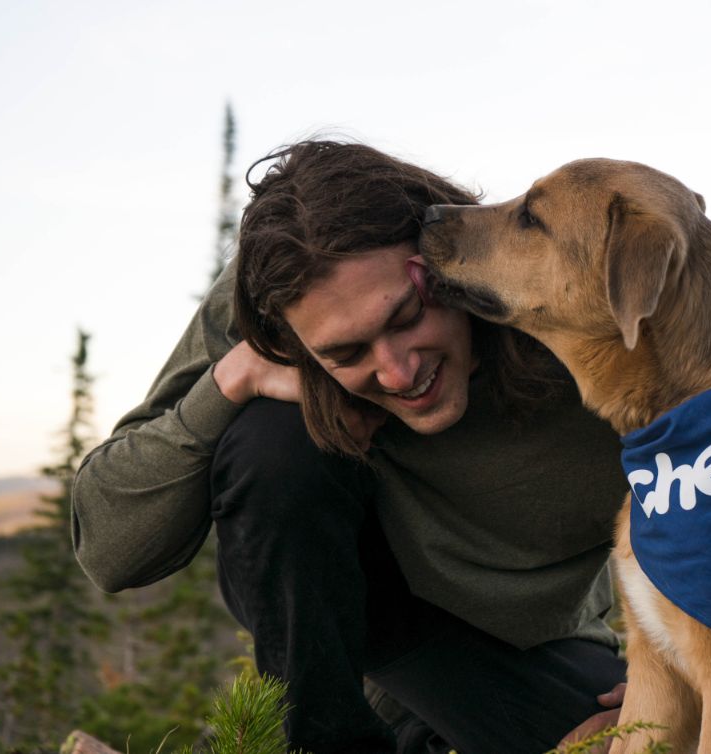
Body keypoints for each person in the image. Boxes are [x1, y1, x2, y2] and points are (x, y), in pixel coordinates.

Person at [71, 141, 630, 754]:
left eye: (408, 315)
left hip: (527, 655)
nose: (397, 372)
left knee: (643, 743)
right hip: (347, 648)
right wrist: (232, 379)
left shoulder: (574, 308)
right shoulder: (271, 298)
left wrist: (670, 684)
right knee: (272, 443)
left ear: (446, 257)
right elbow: (108, 548)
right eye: (345, 352)